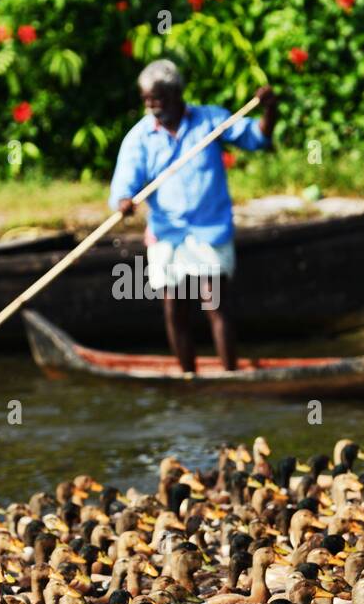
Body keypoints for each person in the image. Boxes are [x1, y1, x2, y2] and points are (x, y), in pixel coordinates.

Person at [109, 58, 278, 372]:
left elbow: (257, 137)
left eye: (156, 99)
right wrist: (123, 201)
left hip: (209, 231)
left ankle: (230, 375)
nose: (151, 106)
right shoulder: (140, 137)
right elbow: (125, 182)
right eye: (146, 100)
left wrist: (269, 110)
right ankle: (188, 376)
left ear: (176, 95)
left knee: (215, 304)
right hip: (167, 233)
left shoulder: (210, 121)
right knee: (175, 307)